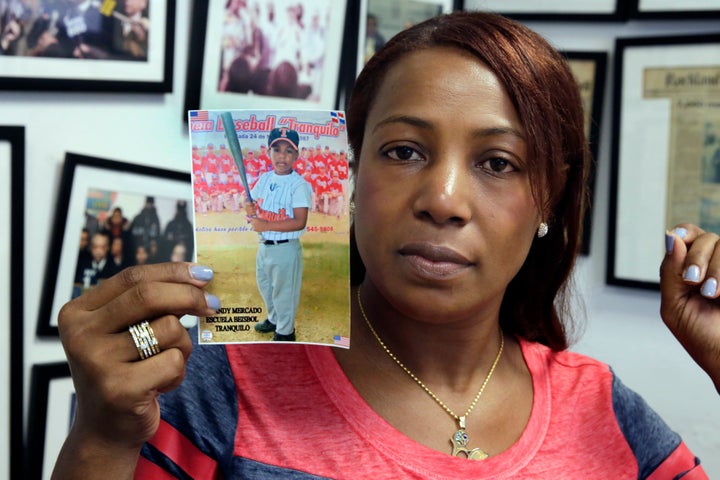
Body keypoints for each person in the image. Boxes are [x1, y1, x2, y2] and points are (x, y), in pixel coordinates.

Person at [53, 12, 719, 479]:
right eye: (403, 151)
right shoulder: (209, 385)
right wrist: (103, 439)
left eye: (498, 163)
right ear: (350, 171)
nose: (443, 199)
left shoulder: (604, 409)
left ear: (548, 196)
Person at [245, 127, 312, 342]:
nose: (282, 156)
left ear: (296, 155)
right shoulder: (264, 178)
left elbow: (299, 221)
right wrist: (248, 206)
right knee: (265, 286)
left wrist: (264, 224)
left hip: (285, 248)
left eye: (288, 151)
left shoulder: (299, 185)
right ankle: (273, 319)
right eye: (277, 149)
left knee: (284, 292)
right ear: (268, 152)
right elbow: (251, 202)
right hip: (264, 245)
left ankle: (285, 332)